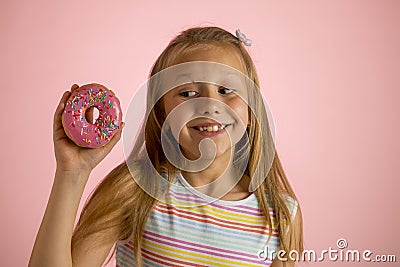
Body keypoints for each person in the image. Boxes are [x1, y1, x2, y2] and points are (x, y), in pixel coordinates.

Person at [30, 26, 303, 267]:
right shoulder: (135, 191)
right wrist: (71, 173)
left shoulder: (281, 216)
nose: (210, 104)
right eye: (187, 93)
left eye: (226, 90)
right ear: (163, 113)